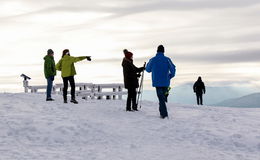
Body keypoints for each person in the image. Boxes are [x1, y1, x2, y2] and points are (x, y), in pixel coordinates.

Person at [146, 45, 176, 119]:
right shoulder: (167, 59)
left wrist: (147, 65)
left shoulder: (153, 60)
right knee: (162, 98)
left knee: (161, 98)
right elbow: (173, 69)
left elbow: (148, 69)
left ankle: (164, 114)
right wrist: (170, 76)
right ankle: (162, 113)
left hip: (157, 82)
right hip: (166, 82)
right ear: (163, 51)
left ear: (157, 51)